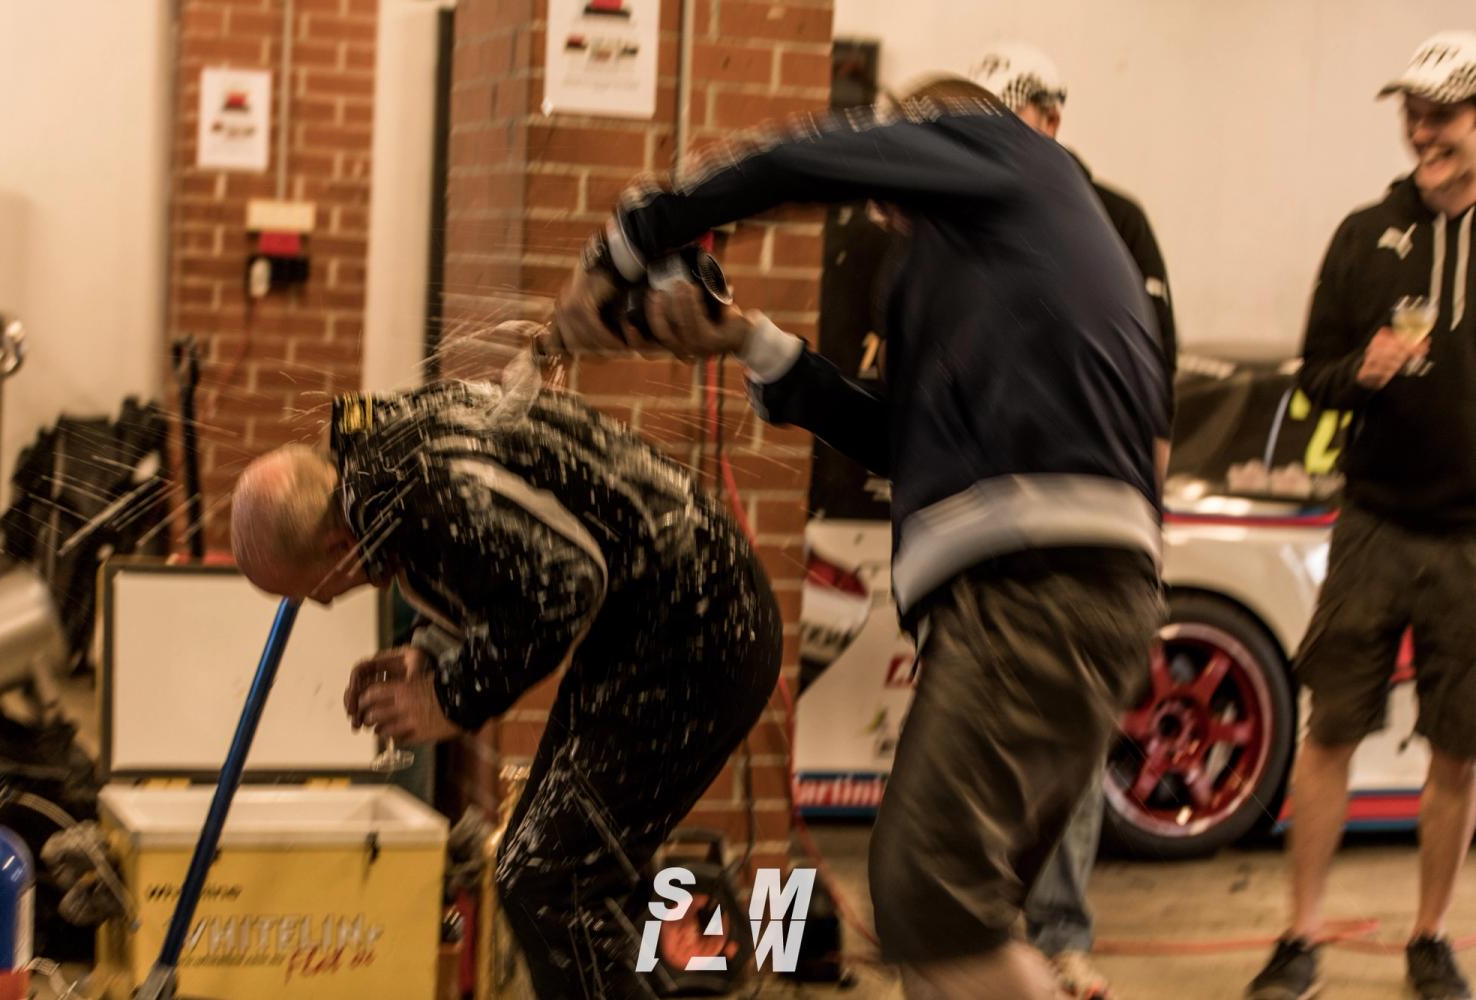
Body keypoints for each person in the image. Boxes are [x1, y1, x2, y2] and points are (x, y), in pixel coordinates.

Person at [553, 76, 1169, 1000]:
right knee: (948, 924)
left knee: (926, 899)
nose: (881, 199)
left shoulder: (1009, 153)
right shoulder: (952, 267)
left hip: (1037, 580)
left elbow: (806, 161)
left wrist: (634, 236)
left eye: (900, 151)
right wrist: (751, 342)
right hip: (1043, 592)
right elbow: (902, 435)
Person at [229, 381, 782, 1000]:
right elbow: (500, 549)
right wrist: (430, 651)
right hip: (661, 622)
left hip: (704, 630)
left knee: (550, 883)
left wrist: (450, 698)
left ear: (336, 548)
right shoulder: (375, 462)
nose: (324, 604)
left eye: (310, 591)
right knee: (545, 872)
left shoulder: (417, 496)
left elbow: (566, 584)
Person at [1246, 31, 1476, 1000]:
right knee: (1331, 730)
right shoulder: (1361, 234)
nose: (1421, 131)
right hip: (1373, 526)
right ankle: (1299, 936)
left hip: (1473, 547)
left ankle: (1430, 937)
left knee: (1459, 749)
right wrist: (1362, 371)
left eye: (1442, 115)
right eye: (1412, 113)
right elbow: (1313, 378)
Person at [969, 40, 1178, 1000]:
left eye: (1003, 119)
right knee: (967, 731)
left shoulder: (1117, 220)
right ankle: (970, 930)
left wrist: (1145, 526)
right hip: (981, 517)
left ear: (1050, 120)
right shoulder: (956, 222)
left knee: (1075, 740)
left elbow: (1155, 387)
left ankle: (1059, 934)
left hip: (1090, 519)